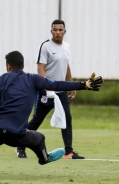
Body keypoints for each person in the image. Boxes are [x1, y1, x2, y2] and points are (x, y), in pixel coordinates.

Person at [0, 51, 102, 175]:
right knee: (39, 138)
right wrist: (84, 85)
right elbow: (57, 84)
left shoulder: (2, 79)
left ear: (8, 66)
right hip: (16, 133)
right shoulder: (33, 79)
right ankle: (44, 158)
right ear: (23, 65)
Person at [16, 19, 85, 159]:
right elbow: (40, 68)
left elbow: (66, 67)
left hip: (61, 91)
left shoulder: (66, 46)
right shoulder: (46, 46)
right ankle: (20, 146)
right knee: (37, 120)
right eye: (55, 30)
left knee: (67, 118)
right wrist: (47, 87)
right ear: (51, 31)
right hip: (46, 91)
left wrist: (71, 86)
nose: (58, 32)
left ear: (65, 32)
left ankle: (69, 152)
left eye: (60, 30)